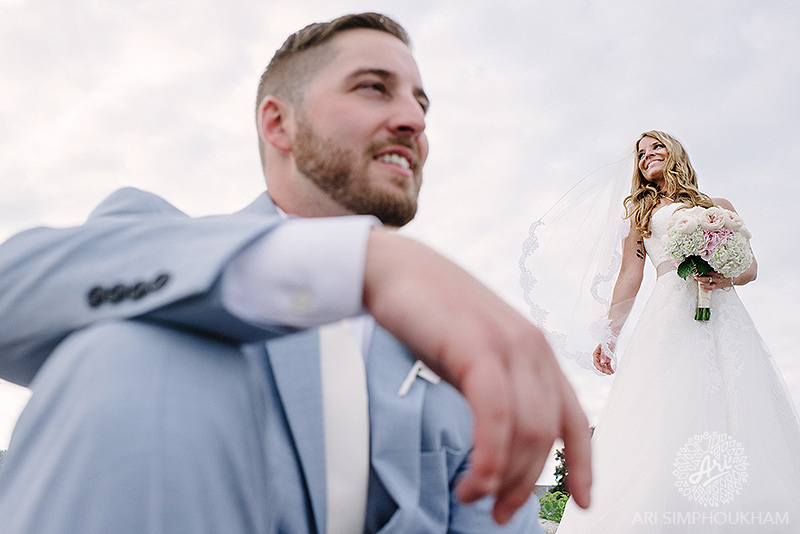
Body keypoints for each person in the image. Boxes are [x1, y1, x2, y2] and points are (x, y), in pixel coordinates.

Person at [0, 13, 591, 534]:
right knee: (140, 347)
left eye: (421, 103)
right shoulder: (158, 239)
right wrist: (364, 263)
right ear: (278, 125)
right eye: (373, 89)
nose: (413, 119)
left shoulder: (460, 361)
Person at [549, 131, 800, 532]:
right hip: (669, 314)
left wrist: (725, 274)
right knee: (668, 402)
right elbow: (629, 275)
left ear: (675, 151)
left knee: (740, 397)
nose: (647, 156)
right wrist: (609, 334)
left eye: (656, 147)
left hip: (724, 315)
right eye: (641, 153)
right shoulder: (641, 215)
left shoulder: (719, 208)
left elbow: (750, 268)